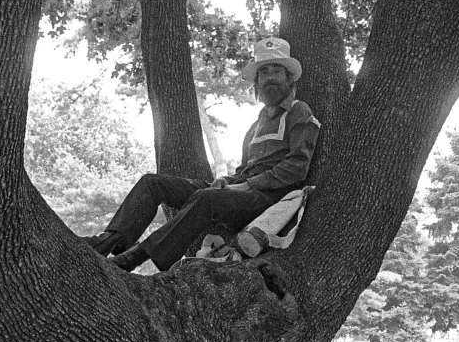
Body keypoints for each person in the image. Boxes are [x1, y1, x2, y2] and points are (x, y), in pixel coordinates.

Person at [84, 37, 320, 273]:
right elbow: (244, 169)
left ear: (288, 78)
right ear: (256, 81)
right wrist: (228, 181)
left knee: (206, 198)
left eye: (276, 71)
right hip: (241, 190)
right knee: (152, 183)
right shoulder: (256, 124)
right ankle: (109, 240)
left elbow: (298, 166)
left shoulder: (299, 110)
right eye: (263, 71)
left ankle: (131, 259)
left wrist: (248, 185)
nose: (269, 77)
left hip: (268, 199)